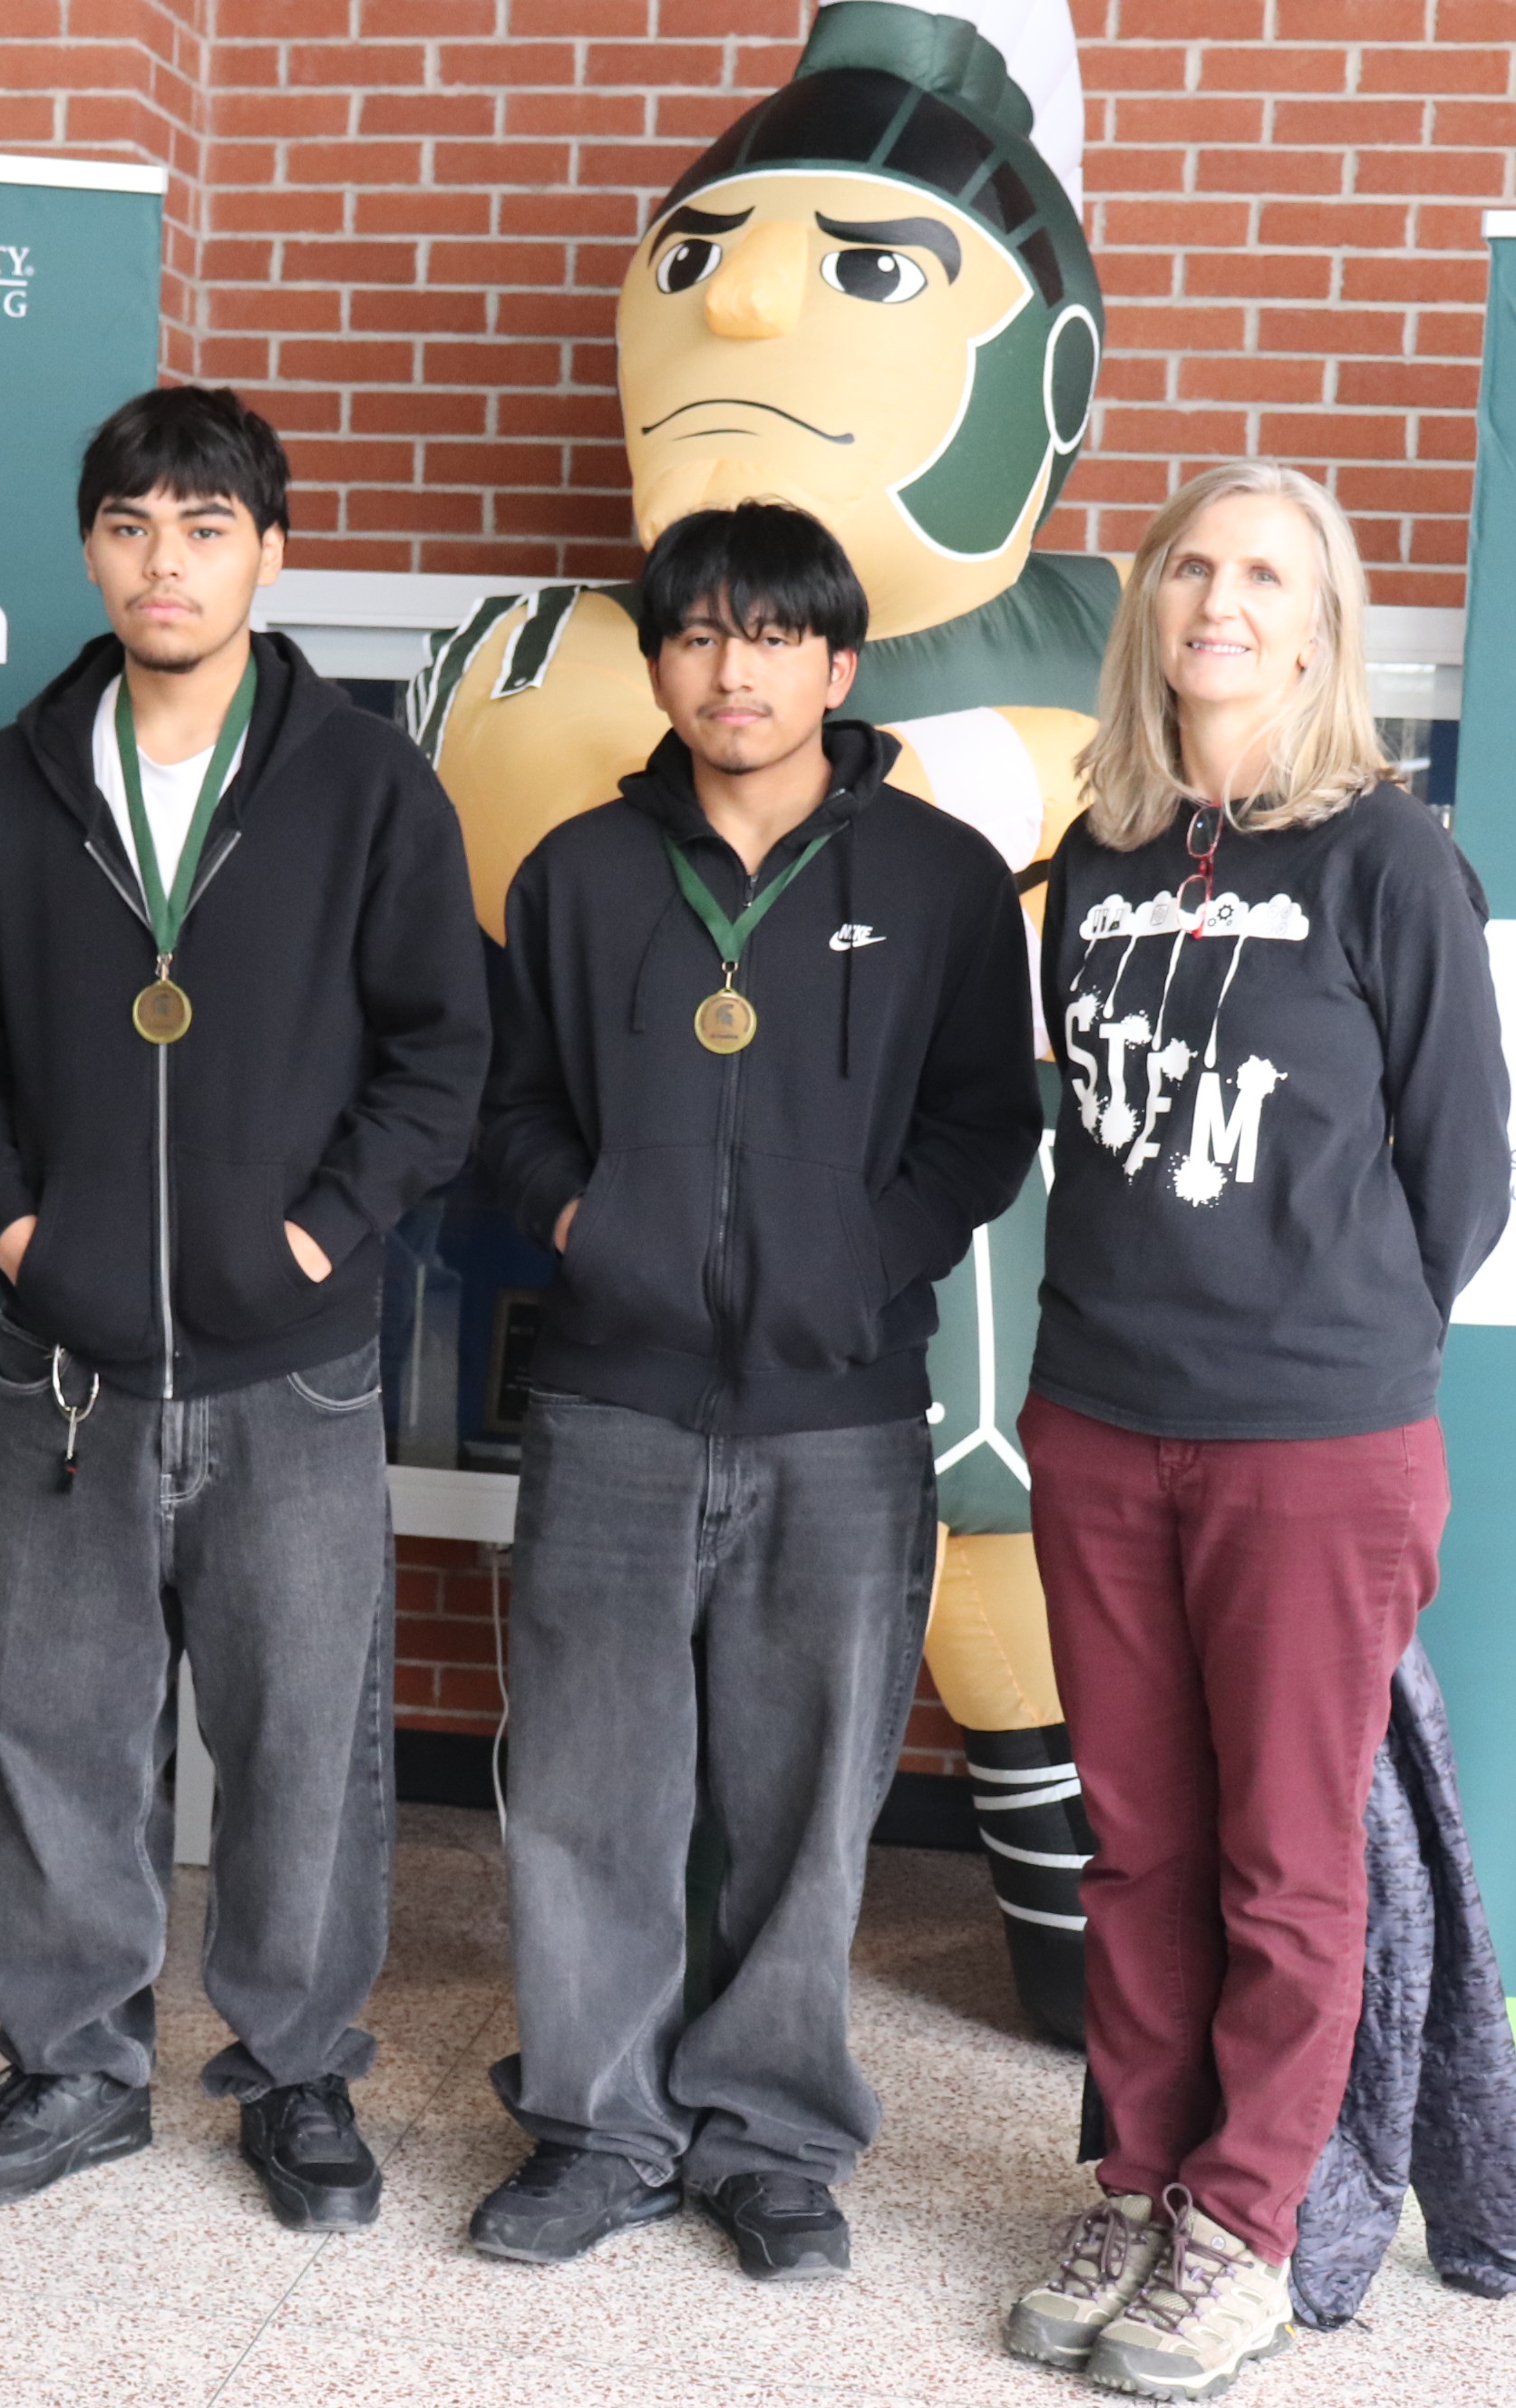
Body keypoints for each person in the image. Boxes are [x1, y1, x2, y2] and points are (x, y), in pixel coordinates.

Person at [0, 385, 490, 2231]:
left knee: (304, 1731)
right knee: (60, 1724)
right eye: (136, 525)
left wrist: (313, 1239)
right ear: (94, 549)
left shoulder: (363, 783)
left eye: (207, 526)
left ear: (270, 553)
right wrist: (10, 1229)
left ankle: (296, 2071)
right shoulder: (16, 779)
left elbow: (441, 1051)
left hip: (289, 1369)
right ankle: (70, 2062)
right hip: (63, 1360)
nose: (169, 559)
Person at [467, 502, 1044, 2282]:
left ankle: (773, 2137)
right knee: (590, 1781)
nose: (736, 667)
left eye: (774, 636)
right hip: (615, 1401)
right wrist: (592, 1218)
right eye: (701, 635)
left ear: (836, 664)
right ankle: (598, 2122)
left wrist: (857, 1268)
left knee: (804, 1796)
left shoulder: (940, 881)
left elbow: (984, 1127)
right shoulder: (574, 873)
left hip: (844, 1411)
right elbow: (506, 1108)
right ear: (660, 664)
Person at [997, 462, 1508, 2402]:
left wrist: (1324, 1332)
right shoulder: (1105, 857)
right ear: (1152, 609)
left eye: (1264, 575)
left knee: (1289, 1862)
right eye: (1192, 565)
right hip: (1106, 1419)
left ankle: (1246, 2219)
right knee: (1137, 1839)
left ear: (1318, 624)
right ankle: (1134, 2171)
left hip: (1313, 1437)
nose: (1220, 598)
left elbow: (1463, 1177)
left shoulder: (1391, 858)